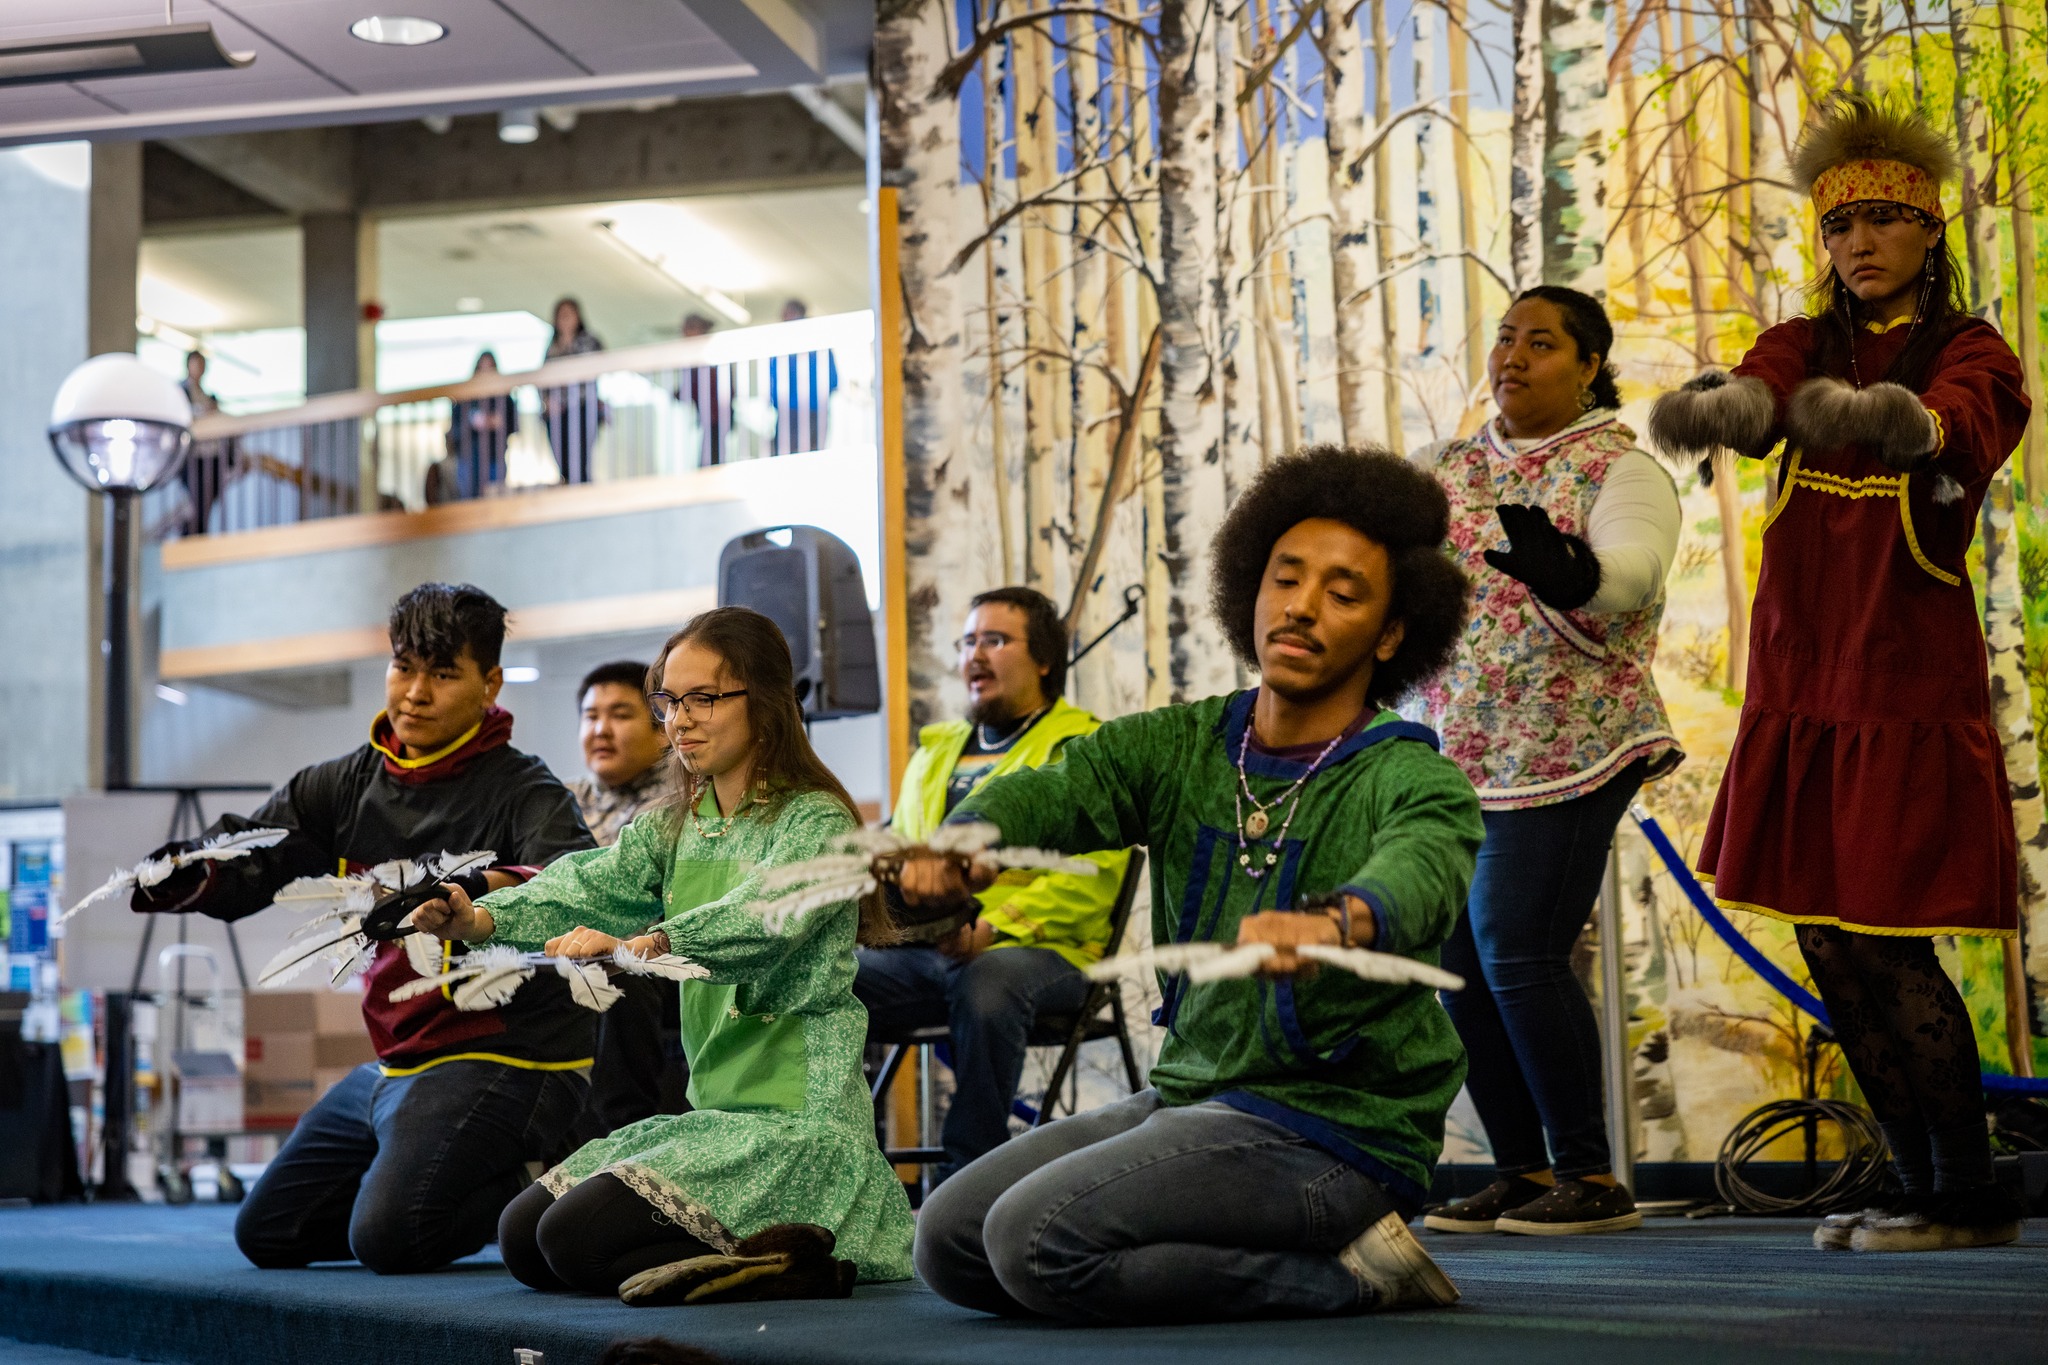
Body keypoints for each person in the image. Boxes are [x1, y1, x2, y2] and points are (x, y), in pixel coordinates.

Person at [905, 448, 1483, 1324]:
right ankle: (1267, 1257)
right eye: (1286, 578)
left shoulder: (1407, 773)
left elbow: (1428, 862)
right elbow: (1067, 784)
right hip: (1192, 1093)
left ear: (1393, 633)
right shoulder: (1182, 744)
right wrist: (967, 839)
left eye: (1343, 592)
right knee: (947, 1238)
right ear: (1251, 590)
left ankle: (1357, 1274)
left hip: (1335, 1130)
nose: (1301, 605)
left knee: (1031, 1240)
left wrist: (1342, 920)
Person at [1648, 95, 2030, 1253]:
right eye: (1836, 227)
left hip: (1902, 687)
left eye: (1876, 222)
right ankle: (1915, 1183)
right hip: (1805, 679)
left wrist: (1888, 417)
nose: (1855, 244)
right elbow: (1762, 395)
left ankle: (1963, 1195)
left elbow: (1964, 423)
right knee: (1825, 938)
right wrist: (1726, 404)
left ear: (1925, 233)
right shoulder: (1803, 340)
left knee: (1883, 936)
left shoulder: (1970, 348)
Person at [414, 608, 916, 1302]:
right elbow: (589, 882)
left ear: (766, 702)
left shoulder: (818, 820)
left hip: (801, 1128)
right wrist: (477, 915)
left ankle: (793, 1259)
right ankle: (756, 1260)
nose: (680, 719)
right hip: (718, 1121)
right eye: (670, 701)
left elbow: (765, 918)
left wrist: (643, 945)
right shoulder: (675, 823)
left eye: (703, 698)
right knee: (523, 1238)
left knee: (571, 1239)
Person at [129, 583, 596, 1274]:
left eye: (443, 673)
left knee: (391, 1237)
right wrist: (189, 868)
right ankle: (422, 1178)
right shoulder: (346, 783)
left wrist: (476, 891)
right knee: (270, 1233)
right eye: (404, 666)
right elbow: (256, 852)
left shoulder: (527, 789)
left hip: (510, 1055)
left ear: (489, 682)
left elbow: (579, 887)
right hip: (395, 1058)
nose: (414, 691)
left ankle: (550, 1172)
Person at [1413, 287, 1682, 1237]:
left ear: (1589, 365)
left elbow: (1634, 571)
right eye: (1503, 338)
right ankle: (1525, 1174)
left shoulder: (1623, 469)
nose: (1513, 356)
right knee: (1459, 962)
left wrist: (1576, 574)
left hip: (1571, 746)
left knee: (1516, 946)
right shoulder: (1443, 468)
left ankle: (1592, 1176)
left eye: (1541, 342)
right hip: (1454, 754)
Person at [852, 587, 1131, 1180]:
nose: (976, 654)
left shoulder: (1079, 746)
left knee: (989, 983)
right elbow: (905, 852)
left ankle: (967, 1181)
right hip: (929, 950)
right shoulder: (936, 752)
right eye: (968, 641)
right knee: (827, 977)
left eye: (996, 640)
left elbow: (1092, 876)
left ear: (1045, 660)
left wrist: (992, 927)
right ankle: (843, 1167)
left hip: (1046, 952)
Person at [565, 661, 687, 1142]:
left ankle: (623, 1139)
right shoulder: (561, 800)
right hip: (571, 953)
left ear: (661, 731)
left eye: (619, 715)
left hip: (665, 958)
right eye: (591, 716)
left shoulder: (684, 799)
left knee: (618, 966)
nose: (601, 729)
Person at [543, 297, 606, 484]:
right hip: (557, 412)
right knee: (562, 461)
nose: (564, 319)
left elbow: (594, 367)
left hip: (583, 407)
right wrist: (547, 401)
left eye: (569, 314)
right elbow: (543, 378)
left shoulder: (589, 341)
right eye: (561, 315)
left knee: (580, 458)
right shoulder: (551, 347)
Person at [446, 350, 519, 499]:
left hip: (495, 457)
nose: (486, 373)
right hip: (468, 458)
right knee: (468, 500)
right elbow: (455, 428)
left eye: (490, 368)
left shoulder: (504, 397)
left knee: (495, 499)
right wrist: (474, 422)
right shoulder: (464, 396)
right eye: (482, 368)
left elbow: (514, 426)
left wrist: (496, 422)